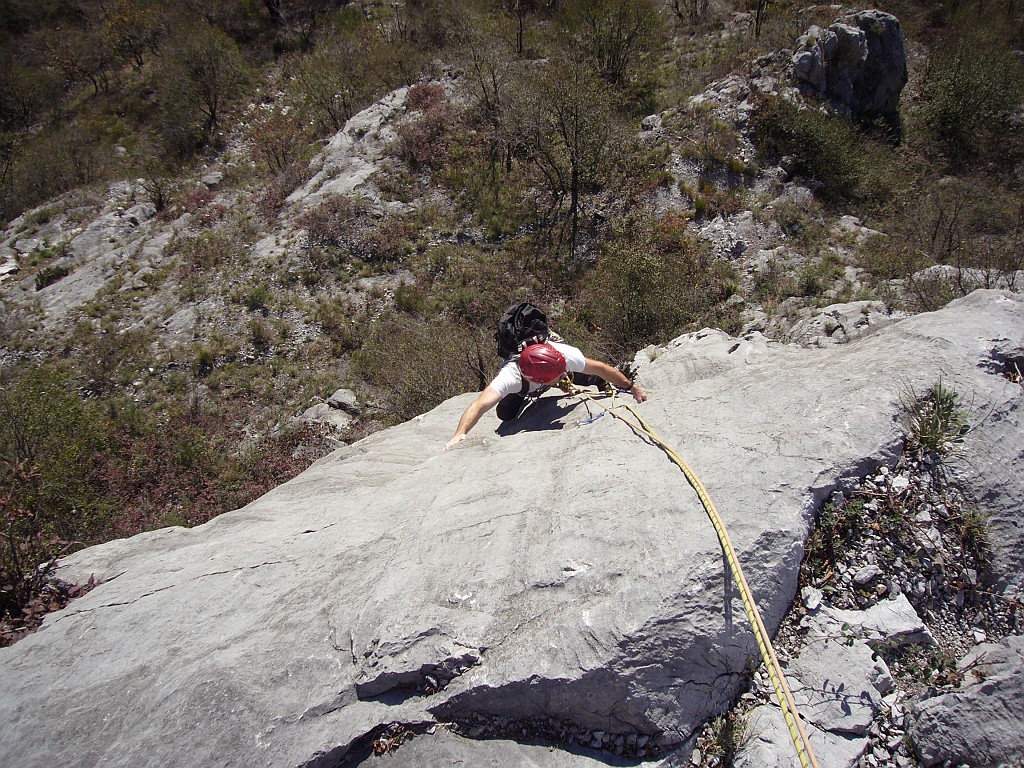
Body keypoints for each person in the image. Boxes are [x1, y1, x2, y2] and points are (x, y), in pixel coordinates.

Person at [445, 339, 648, 450]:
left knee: (582, 374)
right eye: (558, 377)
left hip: (547, 366)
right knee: (505, 414)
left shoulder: (564, 355)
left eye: (562, 373)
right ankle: (531, 394)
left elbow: (601, 367)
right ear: (540, 382)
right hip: (526, 384)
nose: (563, 376)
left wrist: (631, 387)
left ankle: (592, 382)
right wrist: (459, 434)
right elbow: (480, 404)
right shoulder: (510, 378)